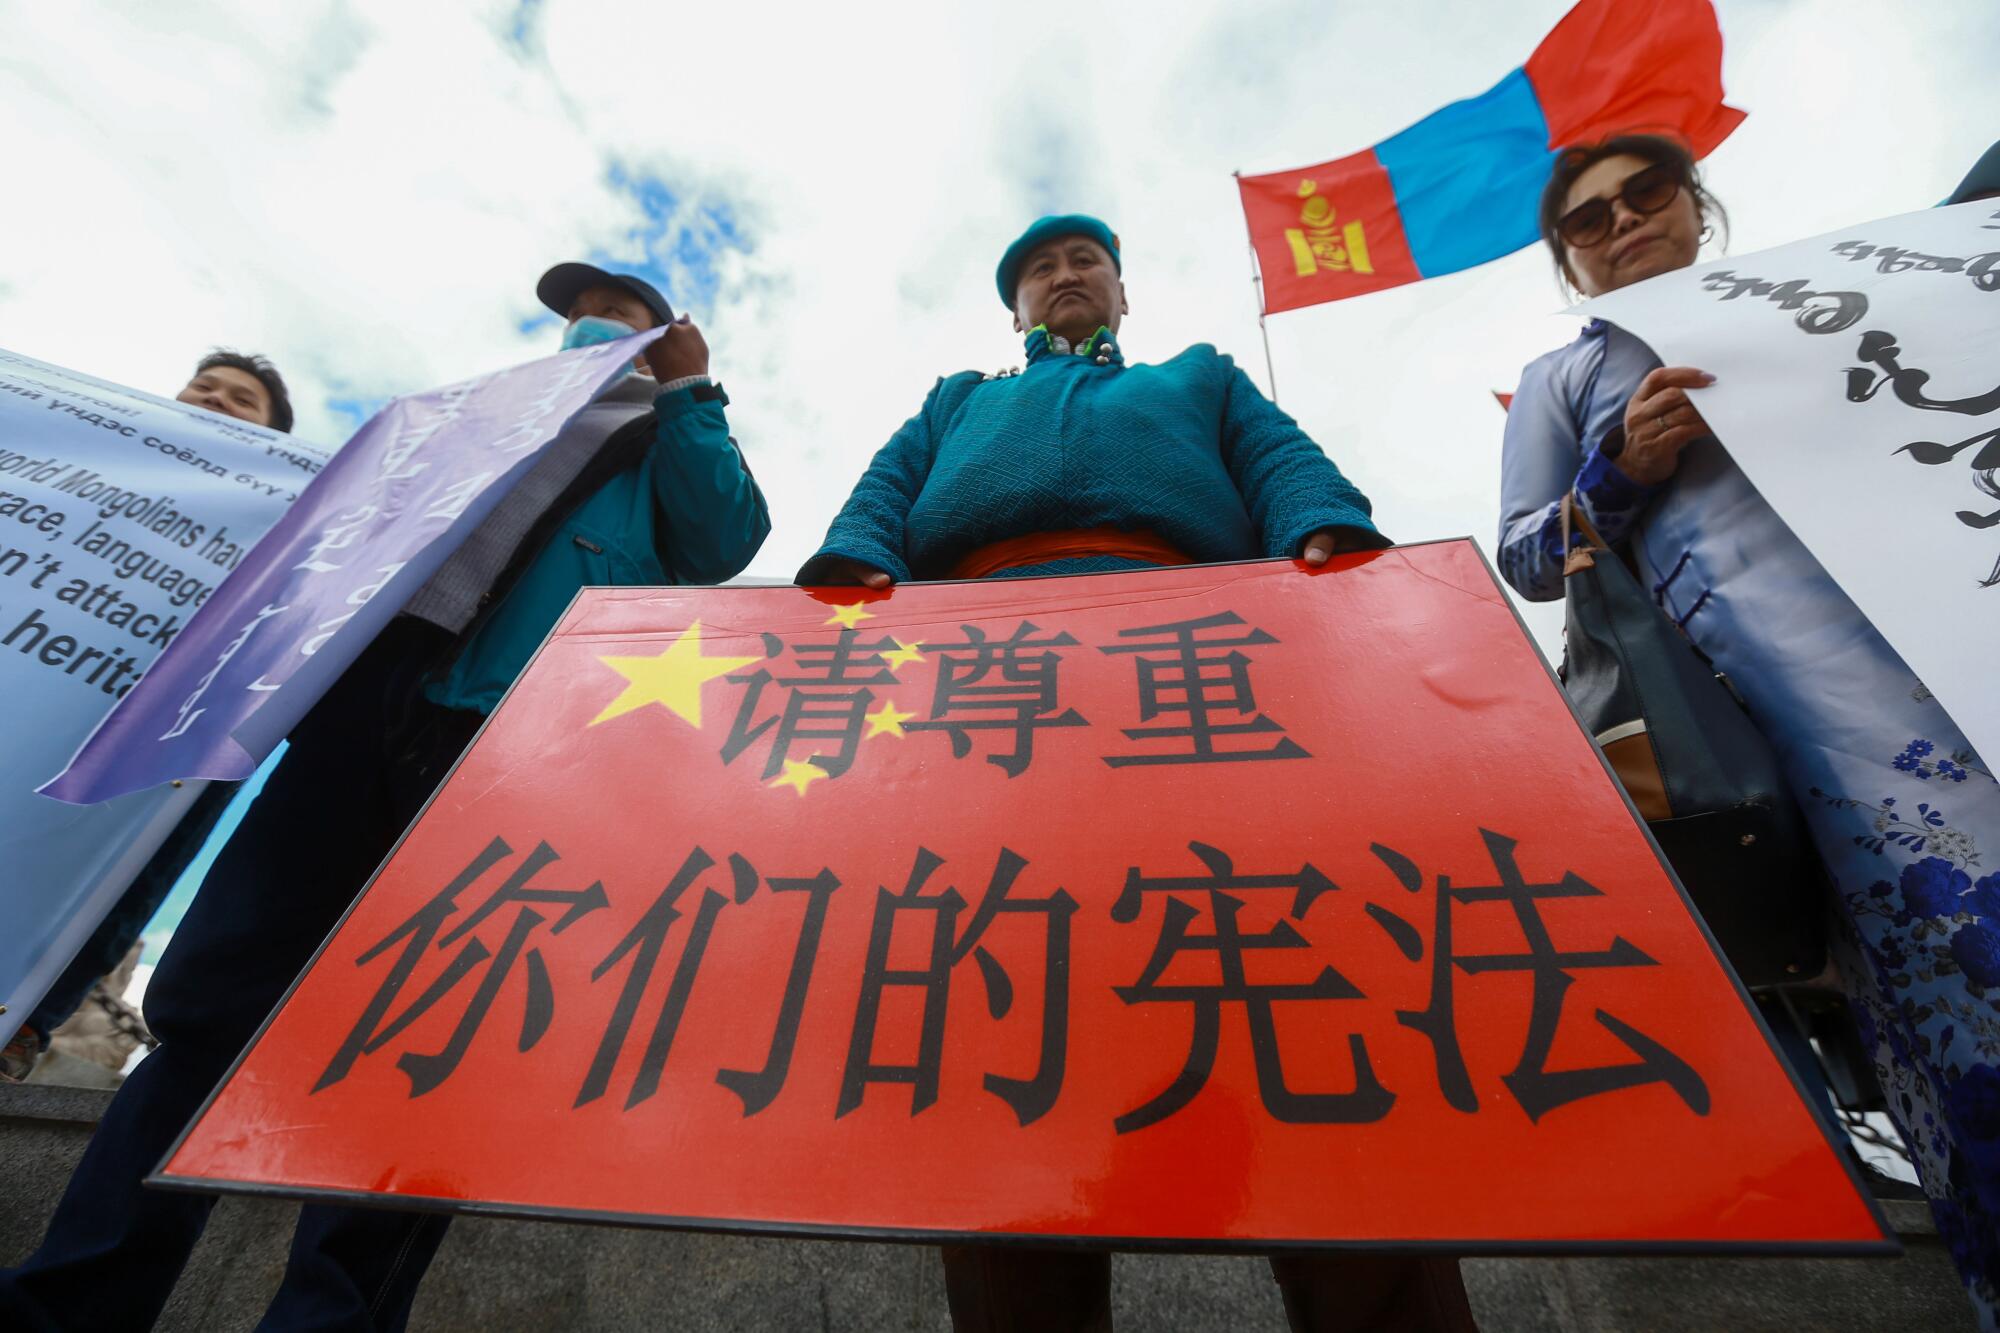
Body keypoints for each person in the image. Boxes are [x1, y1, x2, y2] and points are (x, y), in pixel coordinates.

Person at [0, 263, 771, 1332]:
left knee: (426, 1040)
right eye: (577, 311)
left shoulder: (668, 427)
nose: (590, 324)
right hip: (363, 699)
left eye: (618, 310)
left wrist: (693, 394)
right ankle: (75, 1297)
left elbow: (727, 537)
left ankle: (332, 1318)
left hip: (516, 740)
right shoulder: (483, 409)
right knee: (212, 1007)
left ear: (662, 333)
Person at [803, 216, 1477, 1333]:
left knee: (1296, 977)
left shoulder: (1199, 376)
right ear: (1013, 309)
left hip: (1198, 670)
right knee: (998, 999)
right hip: (984, 684)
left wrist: (1321, 528)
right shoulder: (957, 397)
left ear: (1120, 289)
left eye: (1083, 262)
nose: (1062, 277)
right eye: (1037, 270)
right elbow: (882, 496)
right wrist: (857, 569)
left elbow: (1281, 464)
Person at [1496, 134, 2000, 1327]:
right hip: (1817, 711)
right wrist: (1619, 469)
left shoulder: (1810, 297)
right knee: (1954, 963)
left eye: (1645, 193)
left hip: (1955, 625)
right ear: (1566, 261)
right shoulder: (1564, 375)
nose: (1620, 222)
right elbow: (1526, 551)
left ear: (1695, 204)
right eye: (1585, 219)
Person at [0, 350, 297, 1085]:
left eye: (242, 400)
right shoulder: (86, 467)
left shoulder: (289, 516)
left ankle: (31, 1016)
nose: (219, 401)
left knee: (135, 855)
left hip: (175, 716)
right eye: (206, 388)